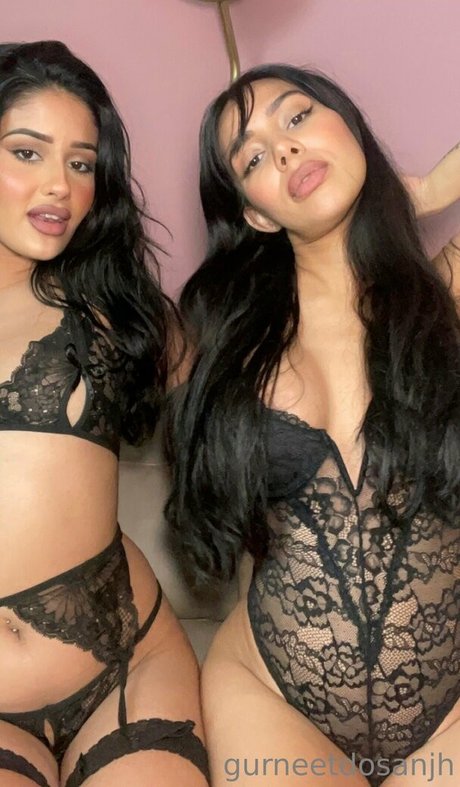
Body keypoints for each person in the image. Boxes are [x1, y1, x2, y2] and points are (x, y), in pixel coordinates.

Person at [165, 64, 459, 786]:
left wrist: (420, 192)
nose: (285, 149)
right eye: (253, 159)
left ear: (350, 127)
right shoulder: (219, 341)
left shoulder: (448, 291)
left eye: (298, 117)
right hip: (270, 700)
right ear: (257, 215)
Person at [0, 40, 208, 787]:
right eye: (27, 152)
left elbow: (259, 386)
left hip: (128, 666)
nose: (59, 185)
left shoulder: (114, 310)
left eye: (82, 163)